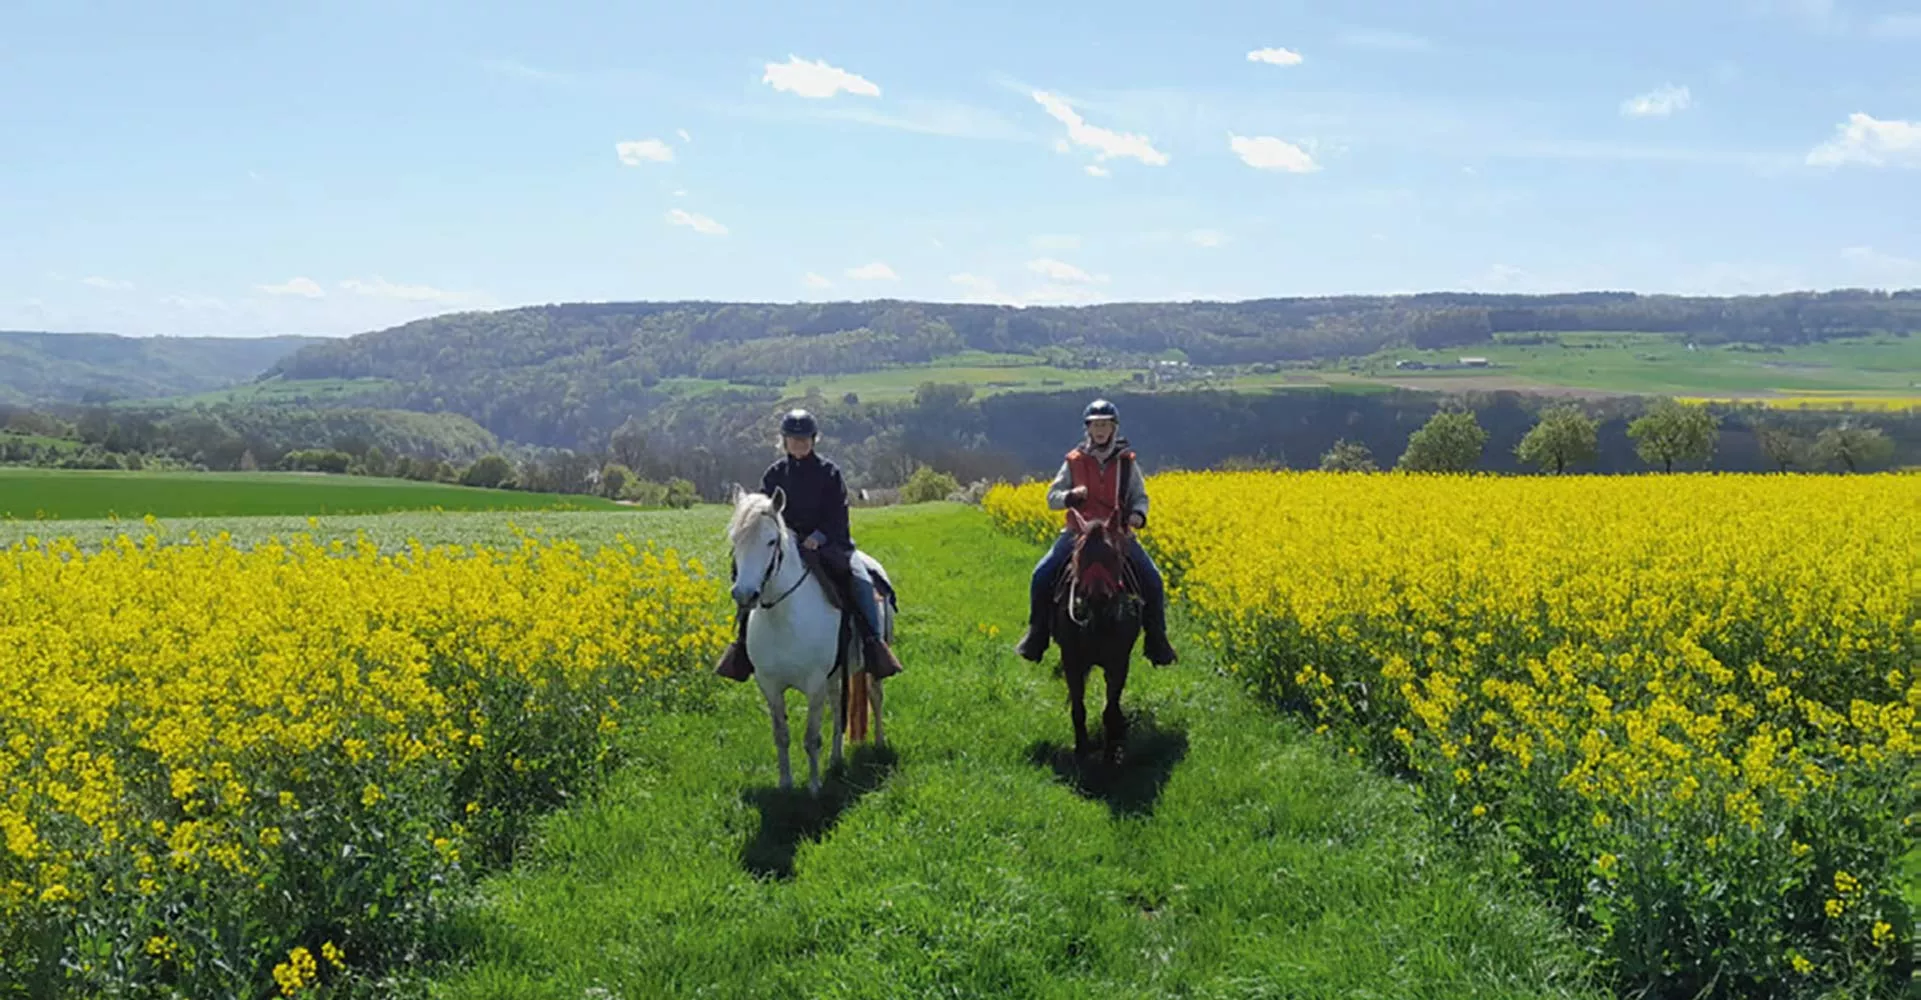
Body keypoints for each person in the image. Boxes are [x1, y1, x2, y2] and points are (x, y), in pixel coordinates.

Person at [714, 408, 905, 682]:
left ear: (814, 440)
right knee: (748, 582)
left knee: (861, 581)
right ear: (784, 441)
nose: (799, 444)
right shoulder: (774, 475)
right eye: (794, 439)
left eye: (804, 439)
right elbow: (763, 516)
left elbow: (838, 515)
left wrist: (819, 536)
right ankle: (743, 646)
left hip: (828, 546)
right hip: (785, 548)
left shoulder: (830, 473)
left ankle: (874, 646)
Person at [1014, 398, 1177, 666]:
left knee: (1153, 579)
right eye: (1095, 425)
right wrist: (1070, 495)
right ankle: (1037, 635)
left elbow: (1140, 496)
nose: (1100, 430)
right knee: (1041, 574)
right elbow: (1052, 497)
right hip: (1078, 535)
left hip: (1118, 536)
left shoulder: (1127, 463)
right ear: (1087, 429)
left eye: (1106, 424)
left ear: (1114, 428)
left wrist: (1138, 515)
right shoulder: (1074, 461)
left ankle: (1156, 641)